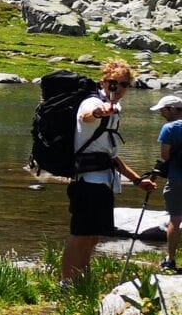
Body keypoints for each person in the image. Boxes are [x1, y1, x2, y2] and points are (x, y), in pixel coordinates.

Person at [61, 60, 156, 285]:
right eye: (113, 83)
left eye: (124, 84)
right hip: (86, 181)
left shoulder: (116, 109)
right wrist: (99, 112)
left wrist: (136, 180)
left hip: (103, 181)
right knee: (80, 235)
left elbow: (110, 155)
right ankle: (66, 283)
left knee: (92, 237)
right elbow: (87, 116)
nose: (118, 88)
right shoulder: (93, 102)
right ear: (104, 81)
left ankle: (82, 282)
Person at [151, 93, 182, 271]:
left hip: (176, 178)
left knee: (175, 219)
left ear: (171, 109)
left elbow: (165, 155)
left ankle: (170, 259)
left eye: (163, 110)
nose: (161, 113)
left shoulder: (169, 128)